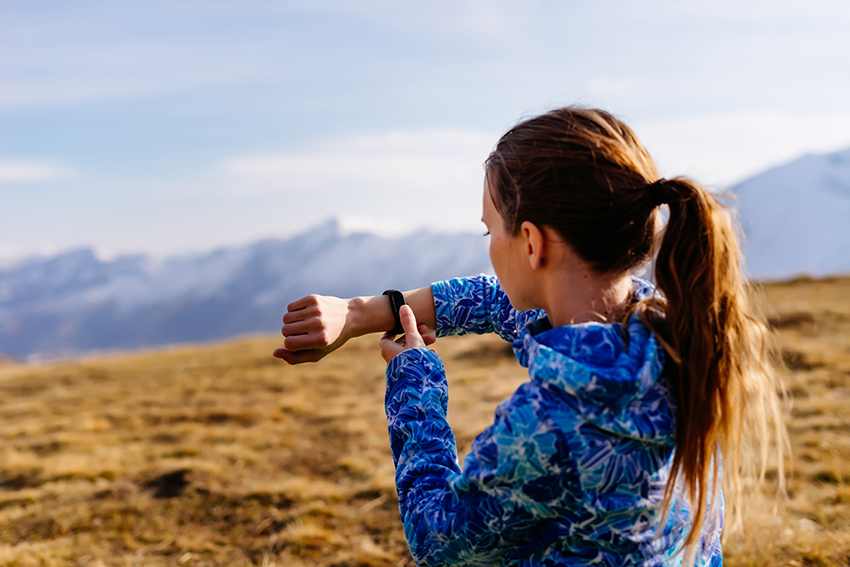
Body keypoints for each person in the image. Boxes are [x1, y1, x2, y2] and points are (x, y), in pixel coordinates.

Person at [273, 107, 786, 565]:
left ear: (533, 243)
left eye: (489, 230)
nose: (489, 247)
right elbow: (499, 301)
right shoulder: (676, 331)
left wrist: (414, 383)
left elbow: (440, 539)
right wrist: (364, 312)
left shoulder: (553, 415)